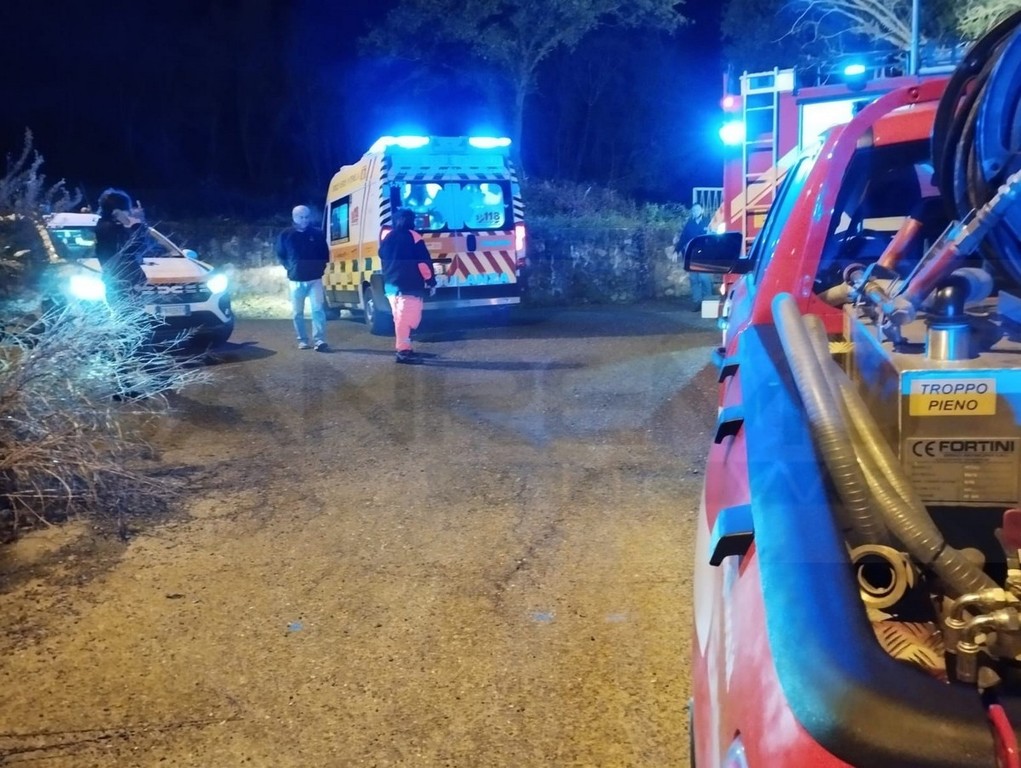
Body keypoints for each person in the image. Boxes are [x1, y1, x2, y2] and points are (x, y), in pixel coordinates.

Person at [378, 208, 436, 364]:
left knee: (400, 319)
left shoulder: (388, 237)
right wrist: (431, 281)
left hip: (391, 286)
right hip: (409, 285)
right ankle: (403, 352)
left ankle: (404, 348)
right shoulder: (414, 237)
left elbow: (381, 255)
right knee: (408, 320)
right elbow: (423, 263)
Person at [275, 204, 329, 351]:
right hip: (296, 279)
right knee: (298, 313)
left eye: (306, 217)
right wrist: (290, 268)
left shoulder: (317, 234)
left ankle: (319, 340)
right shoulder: (286, 235)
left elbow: (324, 253)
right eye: (301, 217)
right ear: (294, 218)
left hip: (315, 279)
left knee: (318, 310)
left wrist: (320, 268)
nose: (304, 220)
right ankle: (302, 340)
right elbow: (280, 254)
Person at [94, 188, 148, 307]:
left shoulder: (104, 226)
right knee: (129, 310)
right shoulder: (110, 229)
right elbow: (134, 248)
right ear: (117, 211)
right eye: (127, 210)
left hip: (120, 280)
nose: (130, 213)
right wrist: (138, 225)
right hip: (123, 282)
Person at [676, 203, 714, 312]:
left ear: (702, 210)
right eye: (693, 210)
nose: (695, 212)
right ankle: (697, 302)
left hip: (704, 255)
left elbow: (714, 236)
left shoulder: (708, 222)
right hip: (691, 255)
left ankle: (708, 301)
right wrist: (676, 250)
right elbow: (683, 238)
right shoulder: (690, 224)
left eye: (697, 209)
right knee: (694, 279)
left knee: (704, 278)